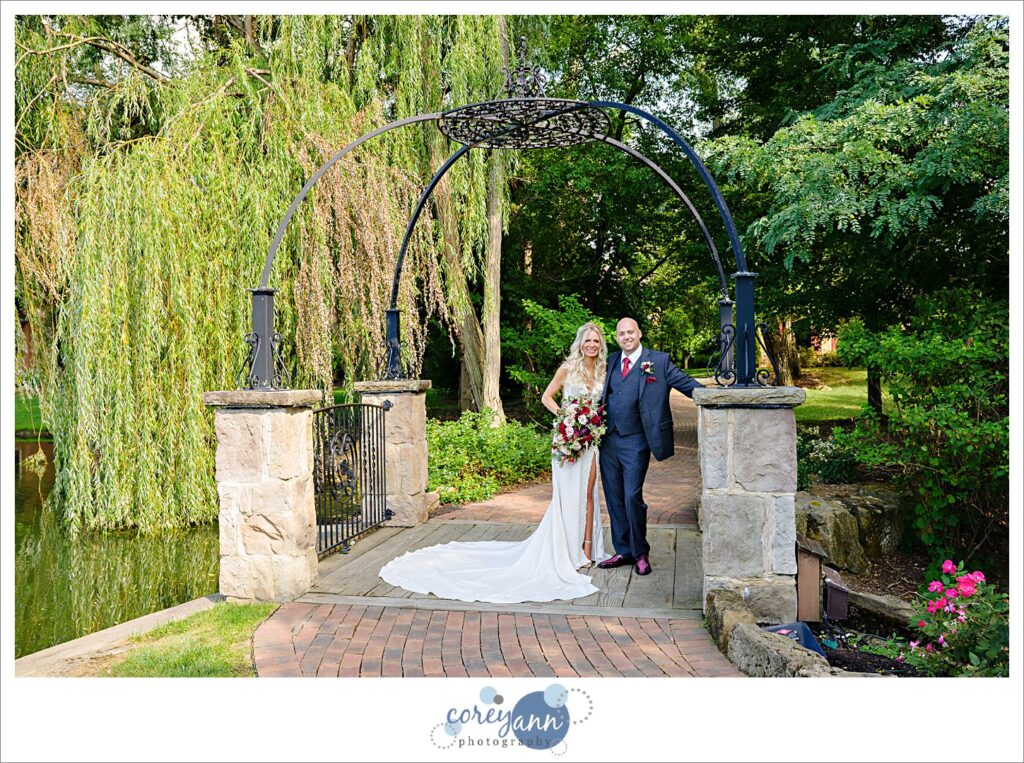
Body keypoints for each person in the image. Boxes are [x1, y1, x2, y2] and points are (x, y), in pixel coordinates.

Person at [377, 323, 608, 603]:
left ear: (601, 344)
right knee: (566, 497)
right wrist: (566, 418)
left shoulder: (603, 372)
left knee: (589, 493)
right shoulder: (567, 369)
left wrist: (591, 423)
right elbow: (547, 397)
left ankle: (587, 548)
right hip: (568, 440)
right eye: (587, 341)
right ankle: (567, 551)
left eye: (596, 341)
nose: (591, 345)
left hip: (591, 441)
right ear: (580, 343)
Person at [597, 317, 703, 576]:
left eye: (630, 332)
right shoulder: (611, 361)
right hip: (608, 439)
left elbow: (687, 384)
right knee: (614, 496)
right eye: (621, 333)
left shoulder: (658, 361)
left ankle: (641, 552)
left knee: (632, 495)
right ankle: (623, 550)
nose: (626, 337)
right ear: (616, 337)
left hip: (636, 440)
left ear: (639, 333)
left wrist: (718, 397)